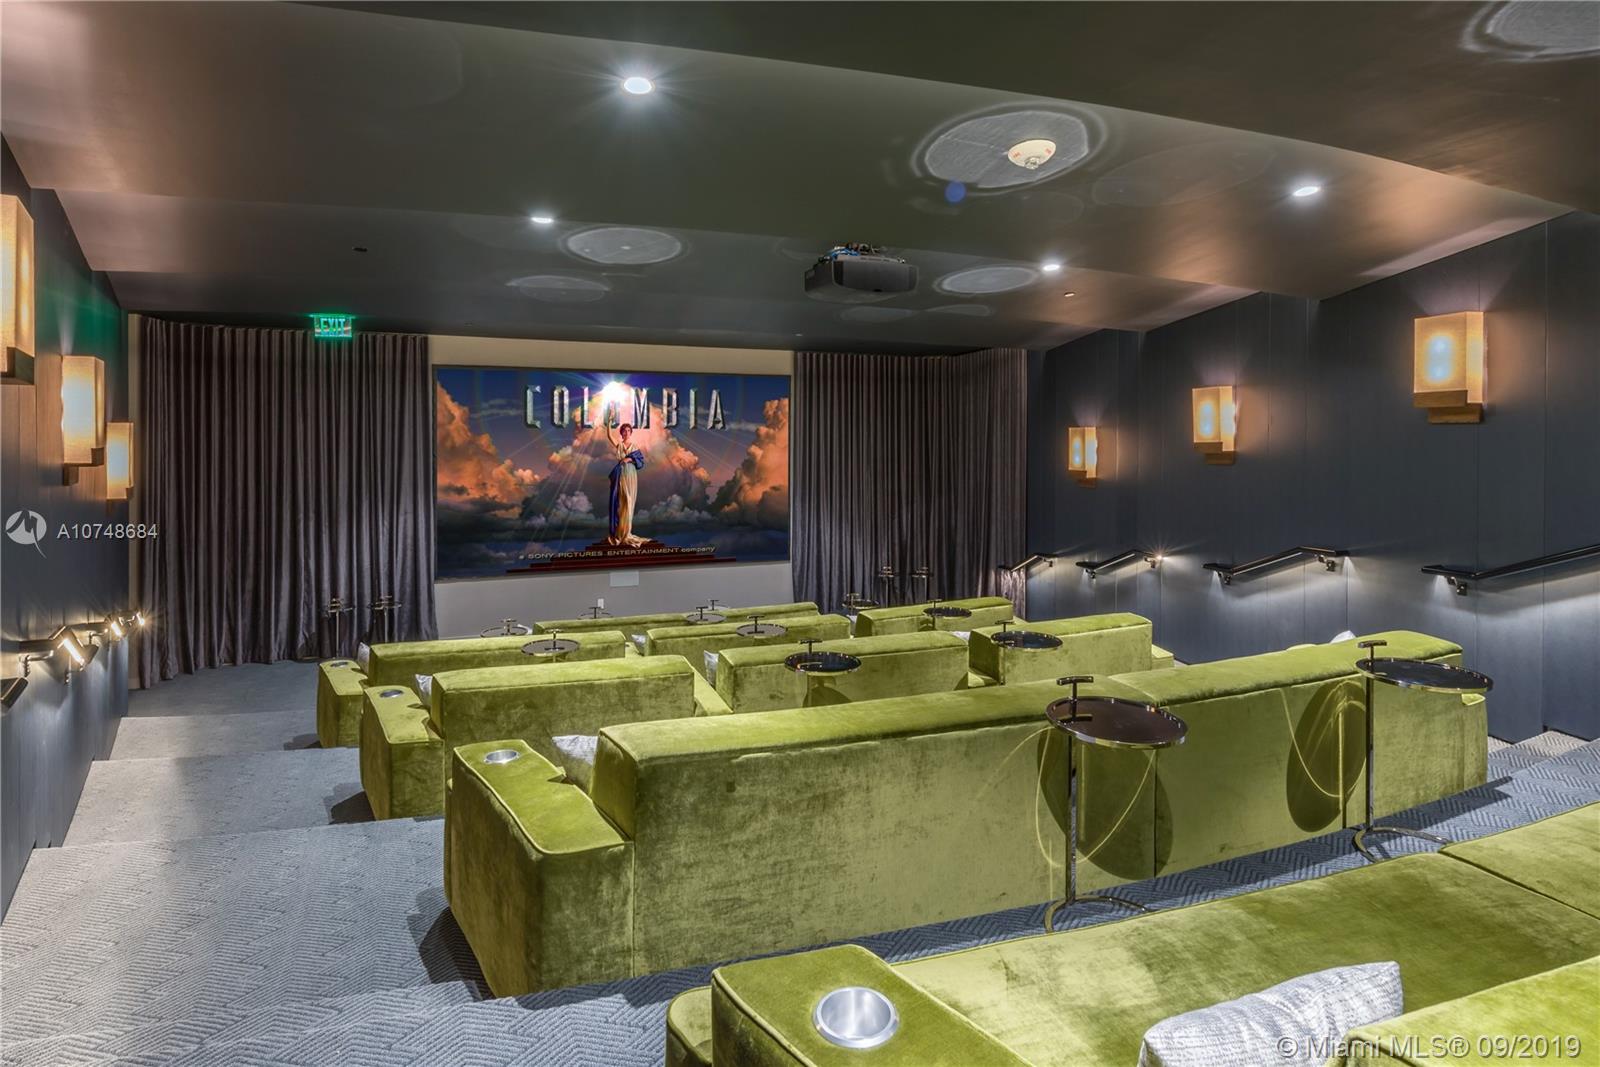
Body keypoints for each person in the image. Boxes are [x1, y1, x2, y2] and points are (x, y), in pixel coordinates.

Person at [605, 421, 648, 546]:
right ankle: (620, 533)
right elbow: (609, 436)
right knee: (621, 503)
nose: (626, 432)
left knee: (629, 503)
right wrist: (609, 421)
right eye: (624, 430)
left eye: (629, 430)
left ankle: (627, 533)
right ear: (621, 433)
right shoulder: (619, 445)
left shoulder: (634, 446)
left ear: (631, 433)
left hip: (631, 476)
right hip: (621, 475)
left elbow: (640, 461)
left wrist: (629, 459)